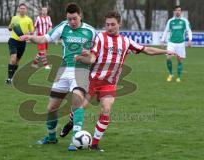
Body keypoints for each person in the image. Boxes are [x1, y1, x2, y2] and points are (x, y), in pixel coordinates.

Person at [60, 11, 176, 152]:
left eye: (113, 24)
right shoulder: (100, 38)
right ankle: (71, 122)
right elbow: (92, 58)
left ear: (119, 24)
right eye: (107, 24)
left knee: (106, 110)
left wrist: (165, 51)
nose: (109, 27)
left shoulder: (126, 41)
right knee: (80, 108)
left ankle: (94, 144)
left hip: (109, 84)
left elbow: (146, 50)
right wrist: (82, 57)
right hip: (93, 81)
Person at [20, 3, 97, 151]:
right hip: (63, 70)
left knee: (76, 101)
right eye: (69, 19)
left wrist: (90, 57)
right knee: (52, 107)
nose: (72, 22)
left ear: (80, 16)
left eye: (74, 19)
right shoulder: (63, 27)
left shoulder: (91, 31)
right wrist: (30, 37)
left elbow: (97, 52)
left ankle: (75, 139)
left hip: (81, 69)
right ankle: (51, 138)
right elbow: (44, 39)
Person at [160, 5, 192, 82]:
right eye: (176, 10)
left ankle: (179, 77)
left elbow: (189, 31)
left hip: (181, 43)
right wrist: (162, 40)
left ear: (181, 11)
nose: (178, 11)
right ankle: (171, 74)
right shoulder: (170, 21)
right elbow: (166, 31)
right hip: (171, 43)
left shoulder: (185, 21)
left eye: (179, 10)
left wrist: (190, 40)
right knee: (168, 58)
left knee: (179, 60)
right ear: (174, 11)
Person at [6, 3, 34, 84]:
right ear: (18, 9)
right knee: (13, 59)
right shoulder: (14, 18)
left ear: (26, 10)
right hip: (13, 40)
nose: (22, 10)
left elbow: (32, 31)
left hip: (22, 42)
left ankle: (12, 76)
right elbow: (10, 28)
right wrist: (10, 27)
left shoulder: (29, 20)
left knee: (17, 61)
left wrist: (29, 35)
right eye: (21, 8)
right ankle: (9, 78)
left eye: (24, 8)